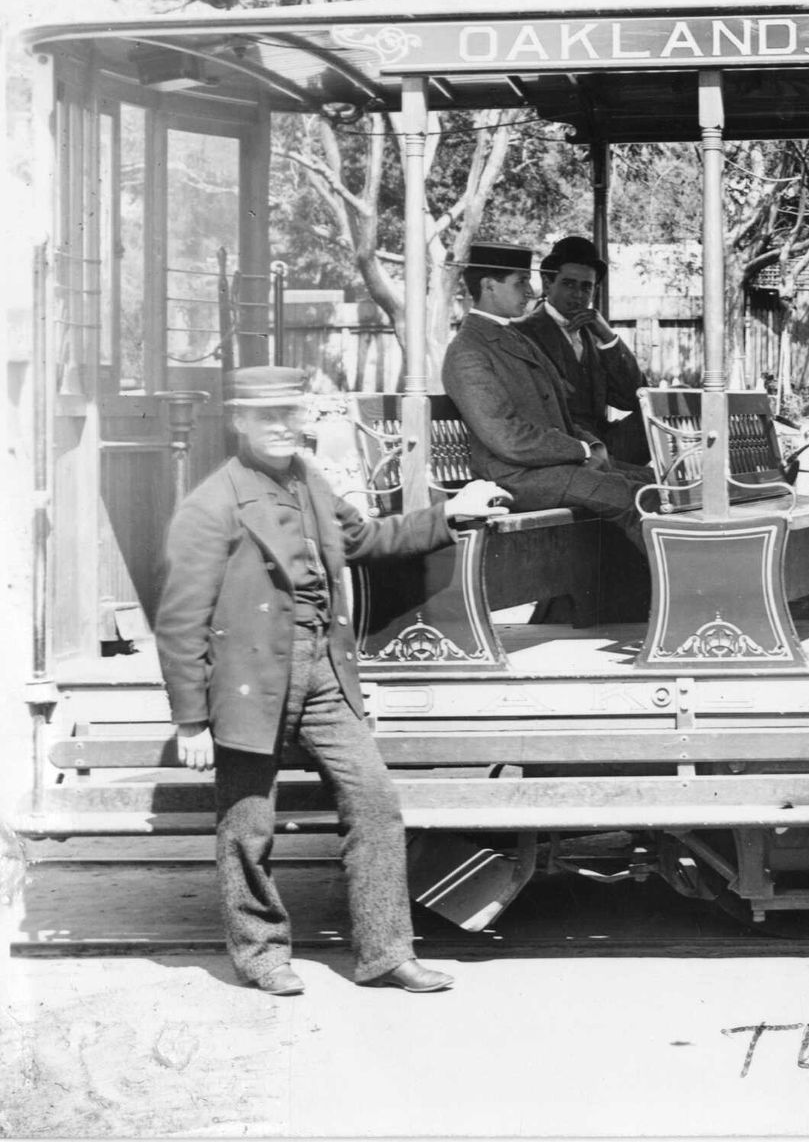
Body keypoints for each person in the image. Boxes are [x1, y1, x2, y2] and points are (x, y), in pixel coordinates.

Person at [156, 365, 513, 995]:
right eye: (266, 416)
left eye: (290, 414)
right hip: (246, 682)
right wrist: (191, 720)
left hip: (322, 669)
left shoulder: (309, 480)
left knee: (374, 803)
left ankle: (385, 953)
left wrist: (449, 514)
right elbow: (180, 622)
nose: (281, 427)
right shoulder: (211, 504)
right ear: (239, 422)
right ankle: (262, 956)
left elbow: (367, 537)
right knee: (247, 828)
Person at [441, 242, 651, 543]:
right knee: (631, 497)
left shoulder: (513, 338)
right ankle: (666, 573)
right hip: (514, 478)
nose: (530, 291)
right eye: (521, 282)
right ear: (489, 286)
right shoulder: (468, 350)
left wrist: (592, 444)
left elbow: (561, 415)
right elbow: (506, 438)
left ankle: (638, 574)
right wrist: (581, 450)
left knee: (654, 485)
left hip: (551, 468)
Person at [517, 235, 652, 466]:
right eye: (569, 284)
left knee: (658, 409)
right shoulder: (523, 332)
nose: (578, 295)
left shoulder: (594, 334)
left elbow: (635, 398)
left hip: (607, 446)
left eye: (586, 287)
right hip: (561, 451)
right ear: (548, 284)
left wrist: (608, 338)